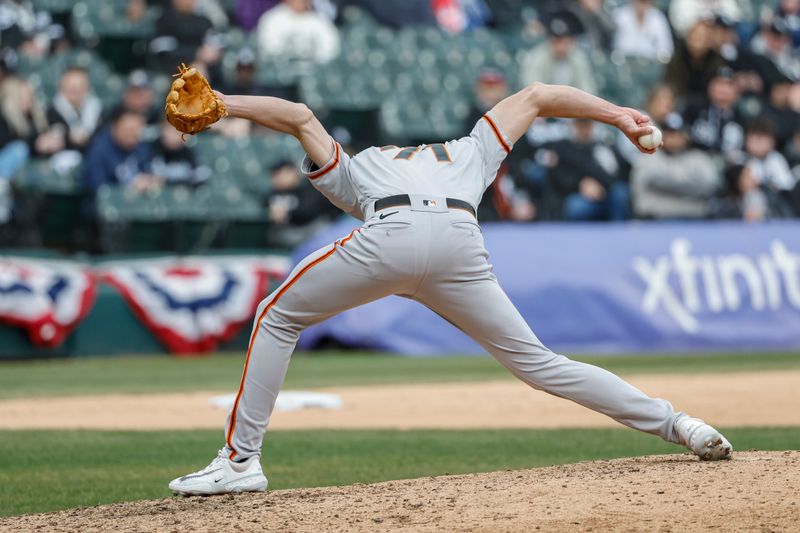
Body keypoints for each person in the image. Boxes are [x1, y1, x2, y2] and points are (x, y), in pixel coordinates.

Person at [168, 80, 733, 496]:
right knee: (539, 362)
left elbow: (297, 115)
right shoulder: (468, 150)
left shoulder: (356, 168)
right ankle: (680, 423)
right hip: (461, 240)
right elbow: (537, 96)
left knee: (275, 314)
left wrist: (223, 102)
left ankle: (241, 461)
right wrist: (618, 116)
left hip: (390, 232)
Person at [630, 113, 721, 219]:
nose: (675, 139)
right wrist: (691, 186)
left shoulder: (698, 158)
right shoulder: (648, 157)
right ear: (661, 134)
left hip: (695, 221)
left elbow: (710, 186)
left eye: (679, 134)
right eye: (671, 133)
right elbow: (650, 186)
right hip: (654, 221)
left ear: (686, 136)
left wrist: (668, 183)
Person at [541, 118, 629, 221]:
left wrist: (601, 186)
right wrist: (580, 184)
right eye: (580, 125)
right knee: (576, 207)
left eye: (587, 125)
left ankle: (618, 232)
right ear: (572, 125)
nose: (584, 129)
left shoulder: (604, 147)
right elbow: (559, 179)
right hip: (577, 194)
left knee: (620, 192)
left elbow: (620, 174)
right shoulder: (562, 147)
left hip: (608, 192)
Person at [82, 109, 161, 193]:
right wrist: (131, 187)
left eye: (138, 129)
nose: (134, 134)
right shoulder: (99, 151)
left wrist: (151, 181)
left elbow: (147, 173)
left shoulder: (141, 147)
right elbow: (99, 189)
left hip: (137, 203)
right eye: (129, 129)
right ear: (115, 128)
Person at [519, 15, 597, 94]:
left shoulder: (578, 58)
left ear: (571, 41)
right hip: (544, 103)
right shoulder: (536, 58)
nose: (560, 47)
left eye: (564, 42)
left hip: (573, 103)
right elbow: (531, 90)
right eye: (557, 41)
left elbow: (587, 89)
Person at [265, 160, 333, 247]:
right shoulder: (271, 194)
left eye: (280, 173)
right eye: (274, 175)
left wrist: (286, 212)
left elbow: (310, 211)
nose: (277, 178)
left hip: (310, 230)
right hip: (286, 232)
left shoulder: (307, 188)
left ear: (292, 173)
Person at [256, 0, 340, 64]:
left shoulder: (320, 21)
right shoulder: (272, 19)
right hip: (281, 74)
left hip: (313, 71)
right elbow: (269, 49)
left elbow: (331, 49)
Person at [47, 67, 102, 153]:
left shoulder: (97, 109)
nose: (76, 90)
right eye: (72, 86)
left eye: (80, 85)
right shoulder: (51, 113)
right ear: (62, 87)